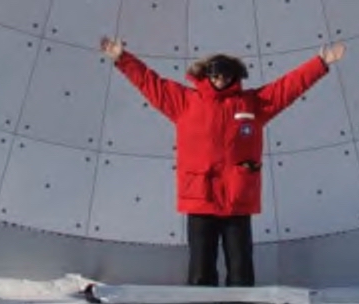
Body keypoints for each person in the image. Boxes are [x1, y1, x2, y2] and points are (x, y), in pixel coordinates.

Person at [99, 37, 335, 289]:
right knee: (201, 268)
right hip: (201, 197)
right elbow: (149, 82)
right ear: (207, 75)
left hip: (237, 200)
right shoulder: (185, 101)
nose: (220, 80)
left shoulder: (252, 103)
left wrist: (320, 63)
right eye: (215, 75)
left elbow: (287, 87)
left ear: (235, 76)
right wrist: (122, 58)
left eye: (225, 75)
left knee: (241, 268)